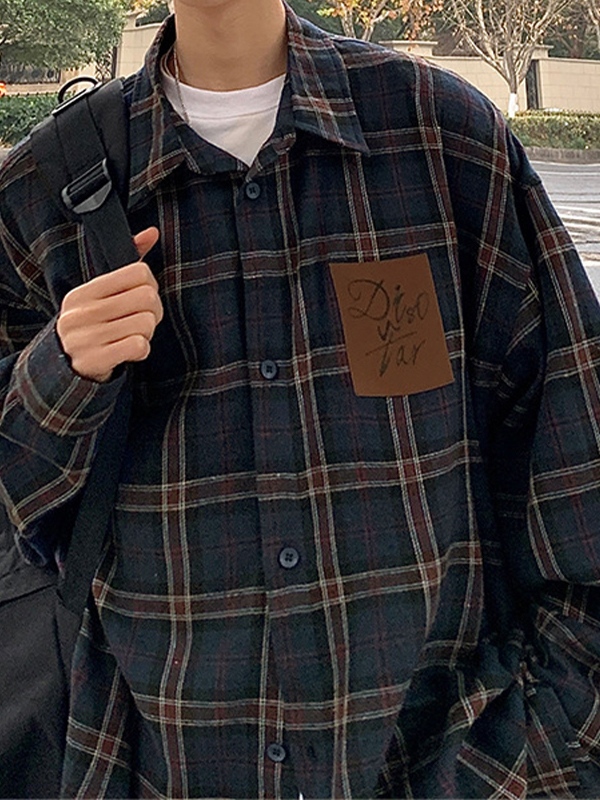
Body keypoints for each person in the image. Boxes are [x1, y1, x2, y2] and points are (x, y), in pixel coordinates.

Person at [0, 0, 599, 797]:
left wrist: (541, 743)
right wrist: (59, 372)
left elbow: (572, 452)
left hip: (447, 759)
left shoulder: (441, 137)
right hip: (151, 761)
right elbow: (18, 510)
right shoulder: (44, 187)